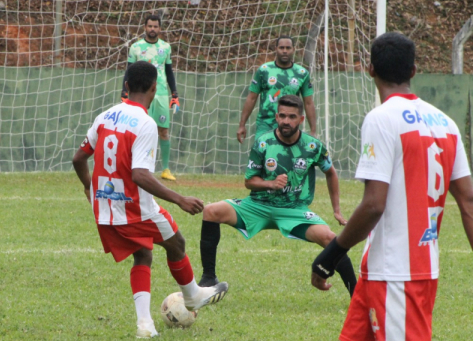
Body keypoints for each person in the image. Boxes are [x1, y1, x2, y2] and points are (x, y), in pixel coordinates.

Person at [311, 32, 473, 341]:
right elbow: (468, 202)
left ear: (370, 69)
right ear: (413, 71)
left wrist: (331, 254)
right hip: (385, 270)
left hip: (398, 274)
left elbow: (374, 204)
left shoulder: (381, 119)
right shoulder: (446, 123)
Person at [73, 61, 228, 339]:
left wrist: (88, 188)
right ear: (155, 89)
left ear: (127, 86)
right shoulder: (146, 123)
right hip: (136, 208)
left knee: (143, 253)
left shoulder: (104, 116)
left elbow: (78, 158)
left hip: (106, 207)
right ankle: (192, 296)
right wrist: (179, 198)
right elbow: (140, 175)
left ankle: (145, 325)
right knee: (177, 243)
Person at [199, 94, 356, 297]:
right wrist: (270, 184)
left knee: (330, 238)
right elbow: (249, 181)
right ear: (276, 117)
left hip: (294, 210)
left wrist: (337, 210)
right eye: (282, 116)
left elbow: (331, 173)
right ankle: (208, 279)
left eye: (291, 117)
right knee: (211, 211)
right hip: (258, 206)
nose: (286, 121)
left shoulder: (312, 146)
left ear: (300, 120)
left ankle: (357, 294)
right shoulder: (263, 143)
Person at [121, 14, 179, 181]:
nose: (152, 29)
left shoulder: (166, 47)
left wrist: (174, 93)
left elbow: (169, 72)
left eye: (155, 26)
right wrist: (124, 93)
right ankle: (136, 166)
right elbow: (128, 72)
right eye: (150, 26)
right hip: (139, 95)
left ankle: (166, 169)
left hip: (160, 94)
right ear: (145, 27)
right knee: (137, 130)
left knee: (163, 131)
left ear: (159, 28)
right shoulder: (136, 47)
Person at [237, 35, 317, 143]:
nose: (285, 51)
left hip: (290, 126)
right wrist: (242, 125)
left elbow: (308, 103)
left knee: (286, 158)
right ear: (276, 49)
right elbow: (251, 97)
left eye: (288, 48)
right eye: (281, 48)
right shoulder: (264, 70)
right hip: (265, 125)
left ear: (293, 49)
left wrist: (313, 130)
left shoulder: (301, 73)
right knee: (261, 157)